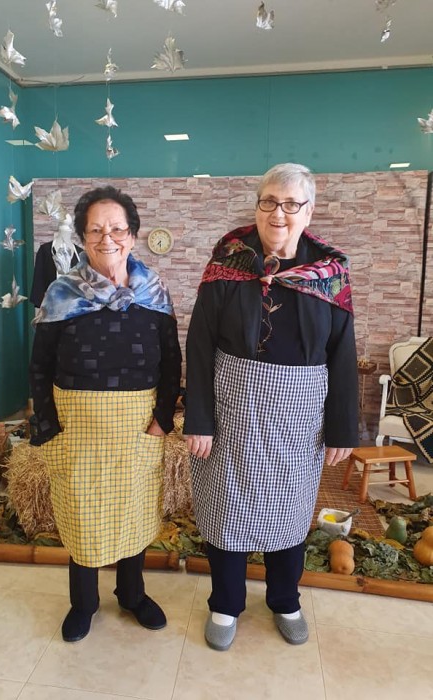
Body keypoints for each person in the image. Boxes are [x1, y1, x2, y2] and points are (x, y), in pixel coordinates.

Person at [184, 163, 358, 651]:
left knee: (291, 512)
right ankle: (225, 603)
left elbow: (342, 351)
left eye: (290, 204)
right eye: (268, 202)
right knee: (227, 510)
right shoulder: (228, 261)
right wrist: (199, 418)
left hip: (299, 419)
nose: (278, 213)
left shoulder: (330, 273)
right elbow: (200, 343)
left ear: (309, 211)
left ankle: (285, 600)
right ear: (257, 206)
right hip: (232, 410)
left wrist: (342, 428)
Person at [29, 185, 182, 642]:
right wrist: (48, 425)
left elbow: (171, 361)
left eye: (117, 228)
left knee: (133, 510)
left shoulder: (154, 292)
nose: (107, 238)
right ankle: (84, 602)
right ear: (82, 238)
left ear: (132, 235)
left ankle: (132, 594)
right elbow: (39, 366)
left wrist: (162, 419)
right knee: (82, 514)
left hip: (137, 426)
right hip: (77, 427)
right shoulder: (61, 293)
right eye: (95, 230)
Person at [29, 214, 83, 308]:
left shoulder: (80, 253)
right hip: (51, 307)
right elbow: (39, 281)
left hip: (75, 308)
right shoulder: (45, 250)